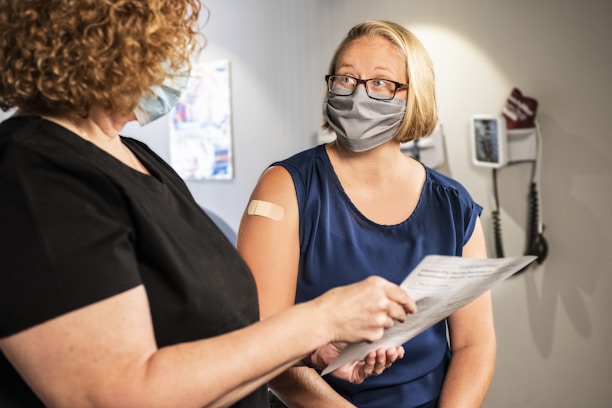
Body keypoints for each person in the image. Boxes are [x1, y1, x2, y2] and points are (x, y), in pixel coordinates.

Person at [0, 4, 418, 407]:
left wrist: (310, 350)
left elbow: (202, 335)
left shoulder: (138, 158)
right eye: (165, 39)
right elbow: (115, 394)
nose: (179, 55)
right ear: (109, 43)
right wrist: (320, 319)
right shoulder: (32, 173)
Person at [237, 20, 496, 408]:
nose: (358, 95)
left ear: (414, 95)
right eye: (346, 79)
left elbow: (474, 344)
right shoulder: (286, 187)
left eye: (380, 82)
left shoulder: (452, 205)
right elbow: (262, 341)